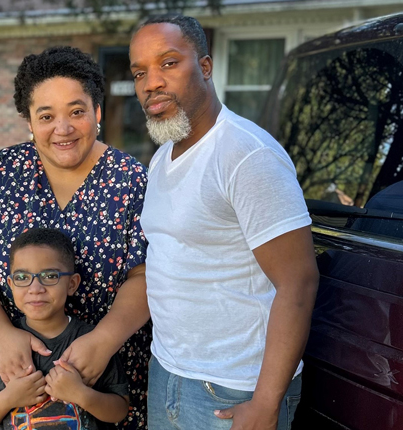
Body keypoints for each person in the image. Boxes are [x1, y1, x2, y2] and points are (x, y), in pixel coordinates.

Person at [128, 14, 320, 430]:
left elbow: (299, 282)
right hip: (168, 372)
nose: (151, 83)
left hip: (234, 389)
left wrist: (266, 403)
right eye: (139, 72)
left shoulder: (246, 155)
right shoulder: (163, 156)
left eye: (168, 63)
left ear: (205, 66)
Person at [0, 46, 151, 430]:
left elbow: (146, 273)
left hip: (103, 373)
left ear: (97, 112)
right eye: (46, 116)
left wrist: (103, 341)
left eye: (76, 111)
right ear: (28, 120)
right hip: (11, 371)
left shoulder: (133, 180)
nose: (63, 128)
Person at [0, 228, 130, 429]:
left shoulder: (92, 341)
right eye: (22, 277)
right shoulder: (4, 343)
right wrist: (9, 398)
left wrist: (82, 395)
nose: (35, 288)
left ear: (72, 284)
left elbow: (119, 410)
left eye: (49, 275)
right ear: (10, 284)